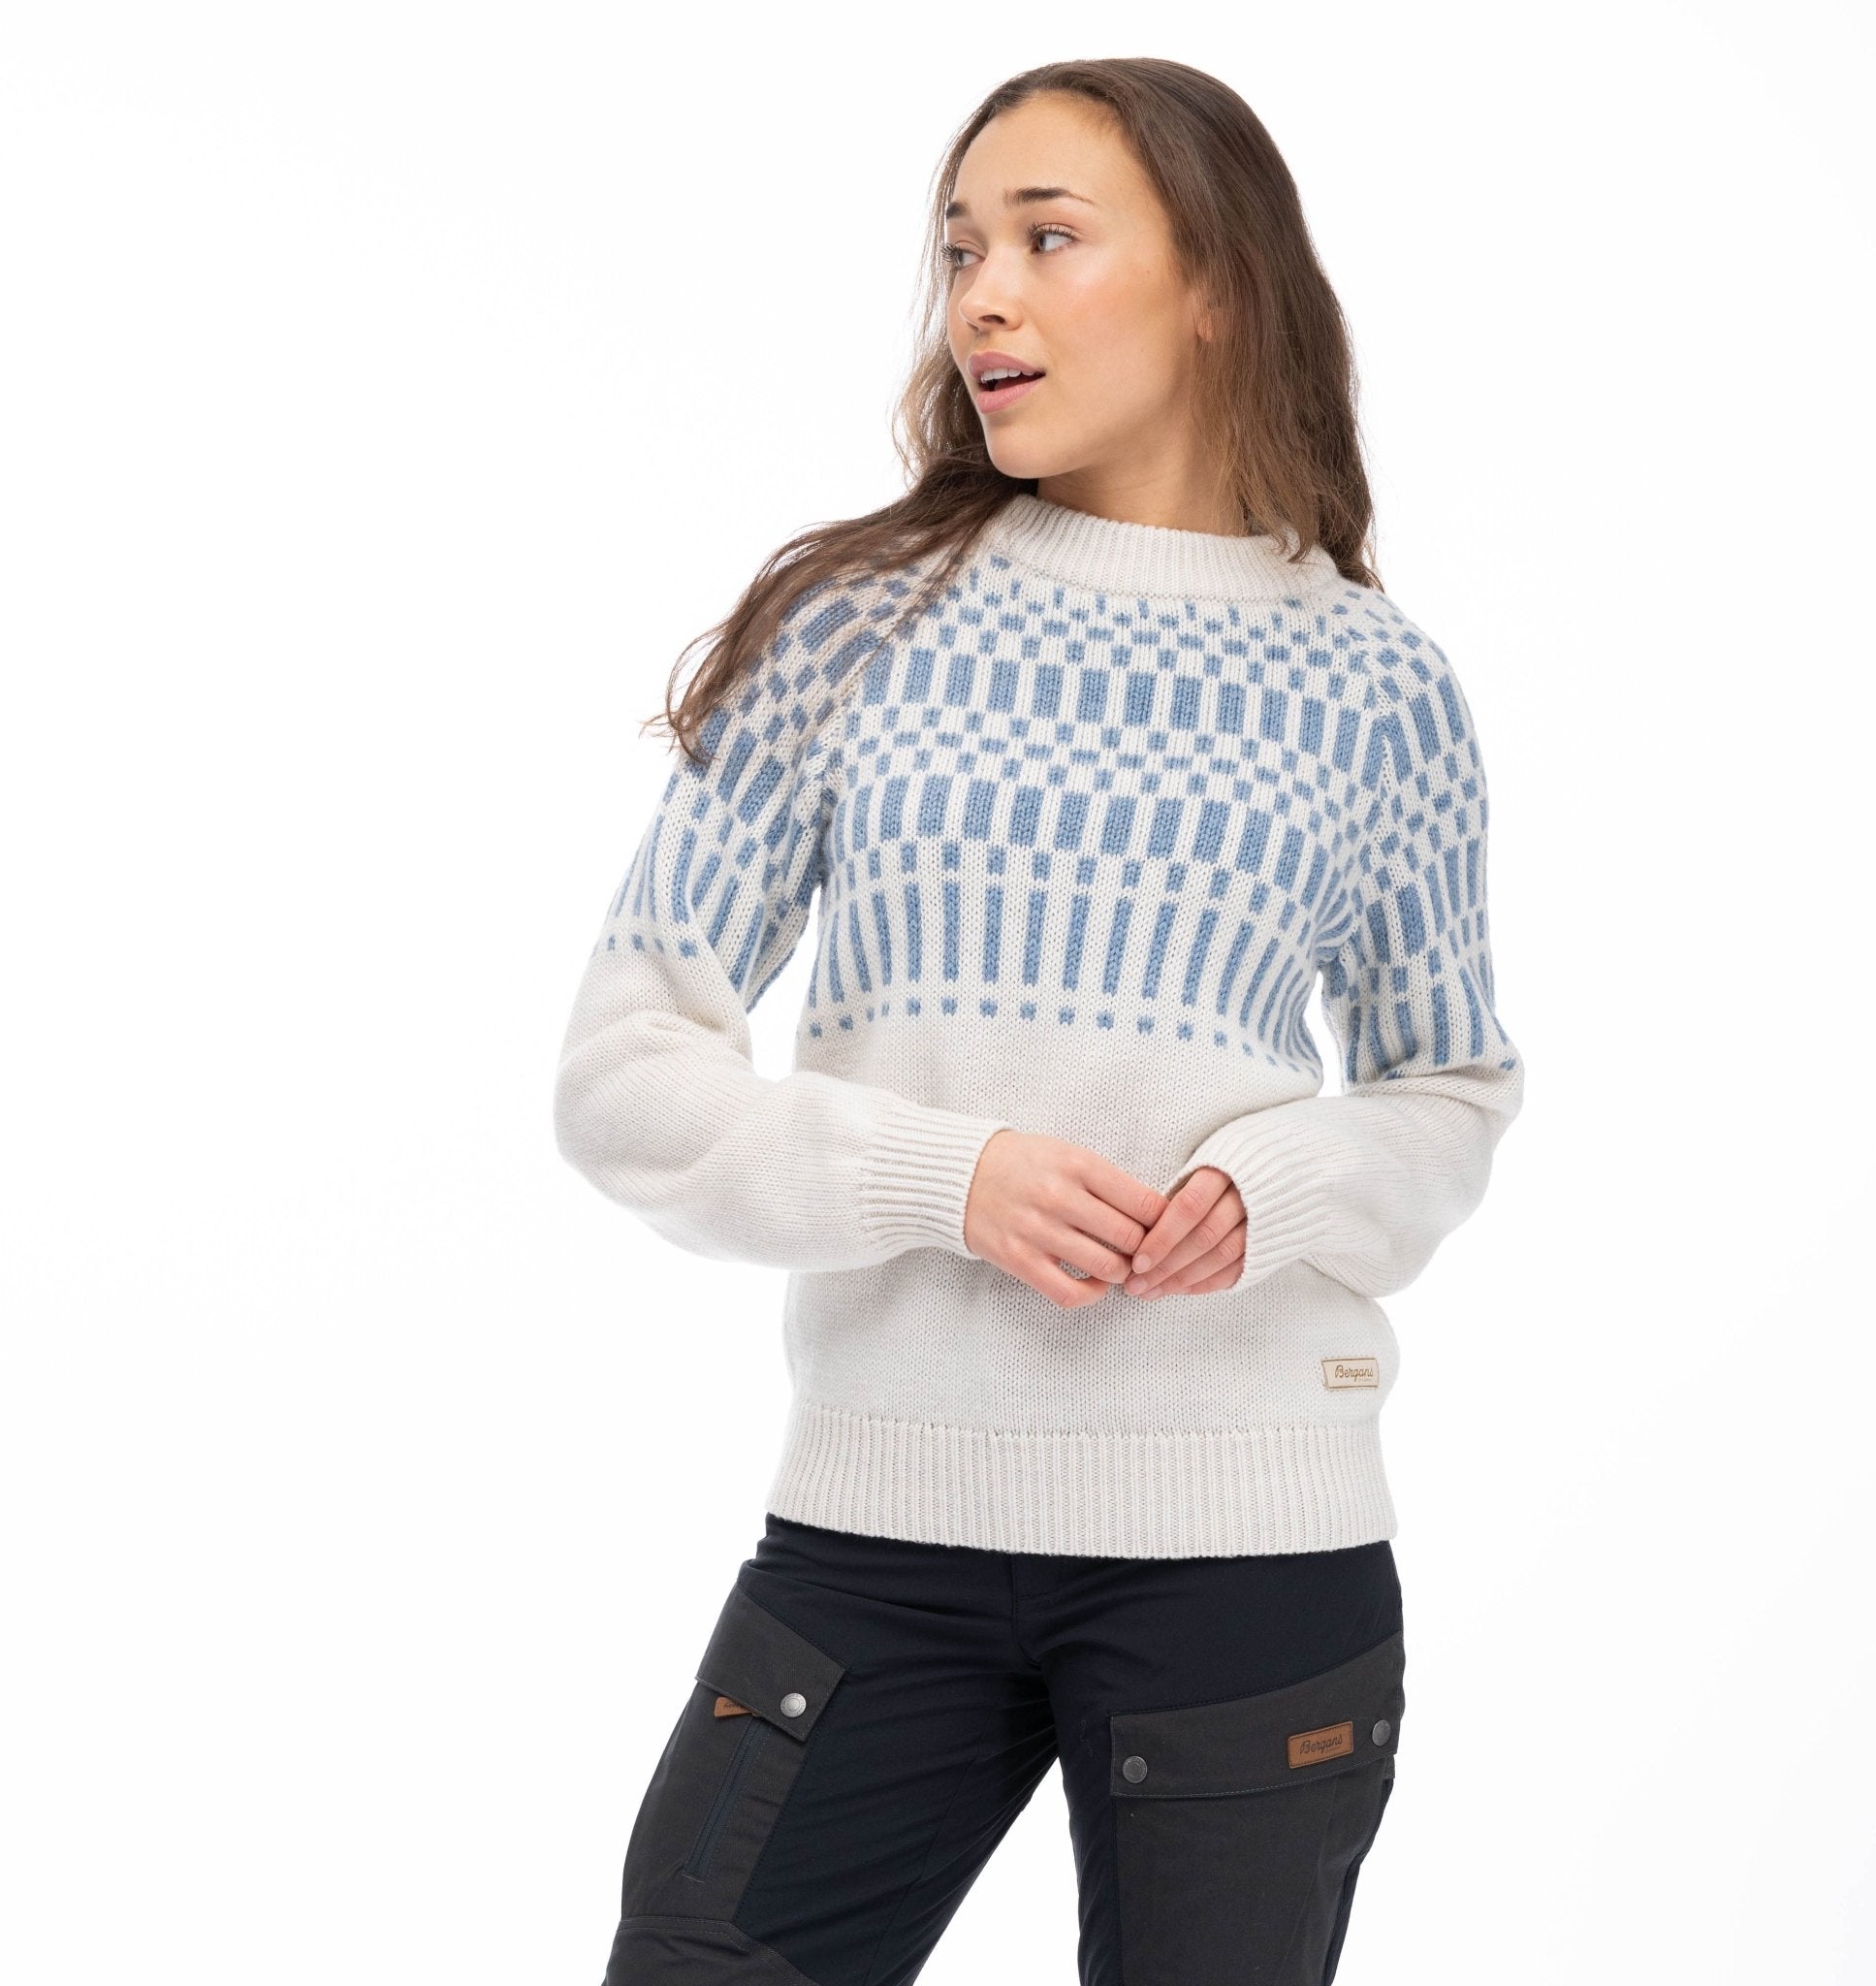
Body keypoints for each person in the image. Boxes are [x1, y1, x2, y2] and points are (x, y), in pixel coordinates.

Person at [552, 54, 1523, 1986]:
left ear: (1215, 283)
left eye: (1046, 239)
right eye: (959, 250)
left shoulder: (1378, 687)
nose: (981, 296)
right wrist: (945, 1176)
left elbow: (1450, 1089)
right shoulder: (854, 625)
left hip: (1252, 1550)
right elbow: (624, 1072)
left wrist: (1281, 1184)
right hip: (877, 1533)